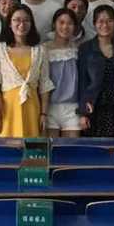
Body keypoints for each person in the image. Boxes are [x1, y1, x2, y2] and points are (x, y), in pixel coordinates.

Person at [0, 6, 53, 138]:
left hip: (32, 107)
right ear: (9, 23)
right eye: (17, 20)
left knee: (31, 147)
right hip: (8, 108)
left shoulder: (40, 51)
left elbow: (45, 85)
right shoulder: (0, 49)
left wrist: (44, 114)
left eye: (26, 20)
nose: (21, 24)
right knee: (7, 147)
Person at [78, 5, 114, 137]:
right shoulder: (86, 48)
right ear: (94, 24)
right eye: (100, 21)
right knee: (96, 146)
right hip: (95, 106)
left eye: (109, 21)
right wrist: (83, 112)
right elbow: (82, 81)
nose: (105, 25)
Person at [44, 8, 82, 138]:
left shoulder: (78, 49)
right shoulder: (43, 49)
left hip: (73, 107)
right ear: (54, 24)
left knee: (71, 147)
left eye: (70, 23)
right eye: (61, 22)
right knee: (50, 147)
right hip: (49, 107)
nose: (65, 27)